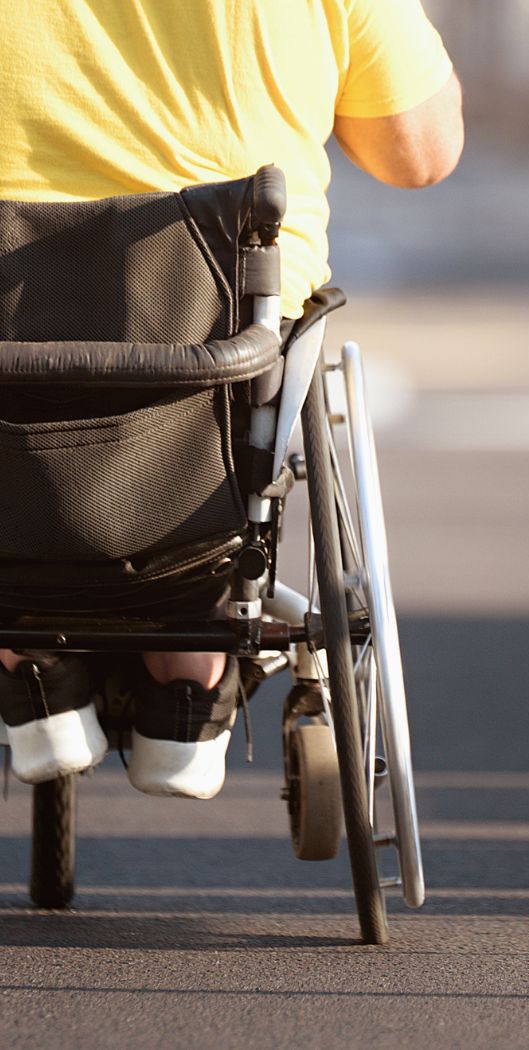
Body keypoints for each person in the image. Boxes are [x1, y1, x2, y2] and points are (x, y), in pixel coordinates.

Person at [0, 0, 463, 798]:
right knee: (237, 407)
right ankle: (190, 667)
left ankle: (26, 666)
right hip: (225, 303)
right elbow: (419, 152)